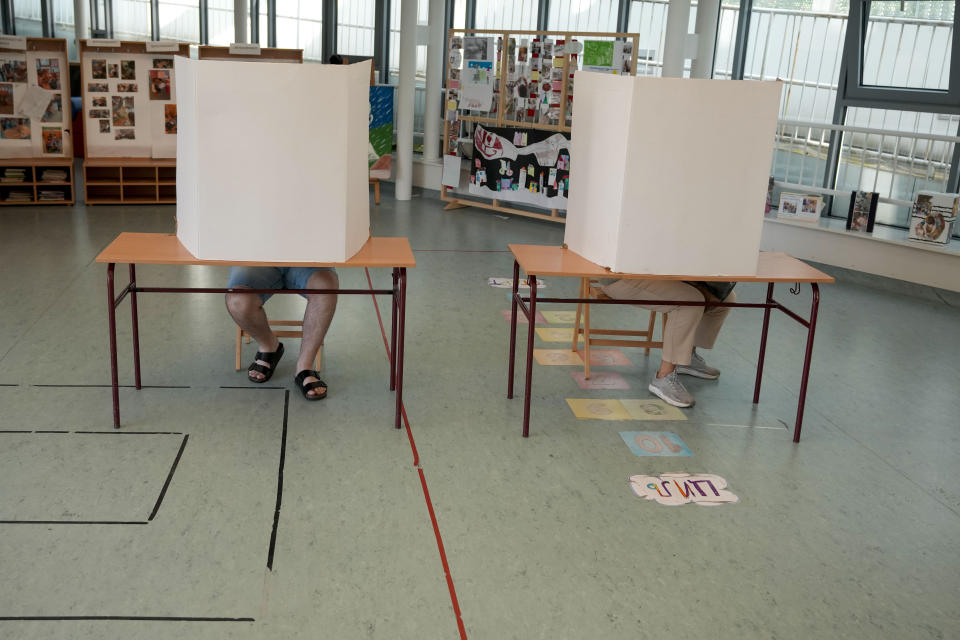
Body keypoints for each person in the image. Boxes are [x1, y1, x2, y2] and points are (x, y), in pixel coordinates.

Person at [600, 279, 736, 408]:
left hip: (659, 271)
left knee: (724, 298)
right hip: (621, 277)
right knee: (690, 302)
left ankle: (686, 358)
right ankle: (663, 376)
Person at [225, 267, 338, 400]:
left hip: (308, 260)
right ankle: (269, 345)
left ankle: (305, 365)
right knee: (238, 299)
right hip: (258, 259)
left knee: (326, 288)